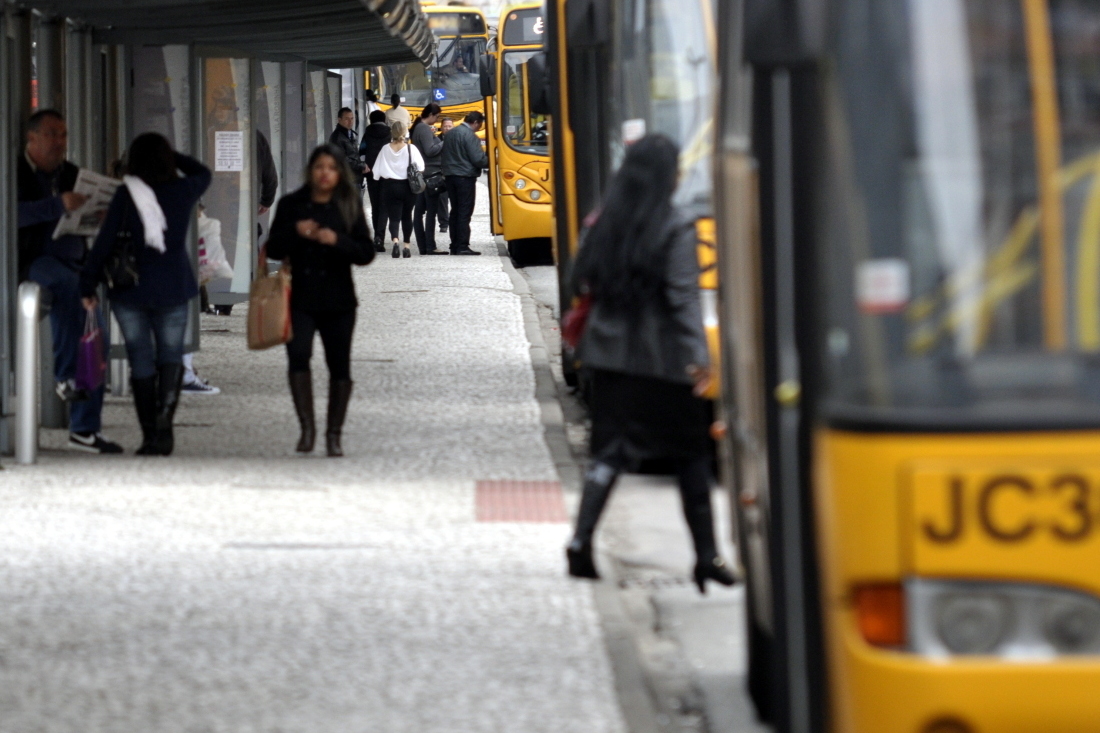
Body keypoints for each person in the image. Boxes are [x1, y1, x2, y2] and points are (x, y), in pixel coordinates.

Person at [564, 134, 737, 594]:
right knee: (691, 456)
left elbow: (578, 278)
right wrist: (701, 360)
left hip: (608, 357)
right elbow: (683, 301)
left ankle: (581, 542)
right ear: (668, 176)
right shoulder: (676, 227)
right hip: (661, 362)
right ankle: (706, 557)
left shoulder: (603, 222)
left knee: (609, 455)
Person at [81, 133, 212, 456]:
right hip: (173, 286)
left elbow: (105, 242)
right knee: (170, 355)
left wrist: (87, 284)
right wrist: (173, 155)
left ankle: (149, 435)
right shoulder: (182, 191)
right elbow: (202, 173)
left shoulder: (127, 194)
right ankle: (164, 427)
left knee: (140, 358)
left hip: (131, 291)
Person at [17, 109, 123, 454]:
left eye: (63, 135)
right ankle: (64, 376)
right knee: (66, 286)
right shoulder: (14, 172)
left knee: (96, 338)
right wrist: (56, 206)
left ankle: (84, 430)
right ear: (31, 138)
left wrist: (95, 214)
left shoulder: (72, 174)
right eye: (51, 134)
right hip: (32, 261)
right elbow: (10, 214)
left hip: (72, 258)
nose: (60, 142)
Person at [266, 144, 375, 457]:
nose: (325, 173)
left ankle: (334, 434)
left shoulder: (348, 205)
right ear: (310, 171)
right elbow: (273, 248)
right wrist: (296, 231)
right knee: (298, 356)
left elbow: (365, 253)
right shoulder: (292, 204)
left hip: (339, 300)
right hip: (300, 296)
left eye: (331, 168)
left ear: (339, 173)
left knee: (338, 365)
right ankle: (307, 429)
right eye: (319, 167)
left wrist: (336, 240)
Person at [372, 119, 424, 259]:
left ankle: (395, 242)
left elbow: (376, 171)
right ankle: (406, 246)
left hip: (390, 187)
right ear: (405, 131)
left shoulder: (385, 148)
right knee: (407, 216)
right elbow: (421, 167)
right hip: (408, 187)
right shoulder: (411, 148)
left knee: (394, 218)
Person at [441, 110, 488, 255]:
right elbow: (478, 159)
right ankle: (462, 245)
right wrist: (491, 160)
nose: (479, 128)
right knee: (464, 212)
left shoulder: (450, 134)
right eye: (480, 125)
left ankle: (454, 244)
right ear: (475, 122)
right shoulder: (470, 136)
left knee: (454, 210)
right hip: (465, 178)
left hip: (450, 177)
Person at [410, 103, 448, 256]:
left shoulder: (418, 127)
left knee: (419, 211)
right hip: (430, 174)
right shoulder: (424, 129)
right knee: (431, 211)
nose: (437, 120)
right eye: (437, 117)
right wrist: (444, 142)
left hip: (422, 174)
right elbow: (430, 150)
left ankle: (423, 245)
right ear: (431, 115)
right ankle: (430, 245)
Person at [360, 109, 391, 252]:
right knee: (384, 205)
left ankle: (376, 238)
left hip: (371, 172)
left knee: (375, 205)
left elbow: (361, 150)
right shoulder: (389, 133)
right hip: (386, 173)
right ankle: (380, 237)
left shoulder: (367, 133)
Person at [330, 107, 365, 187]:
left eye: (352, 118)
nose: (350, 122)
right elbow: (342, 159)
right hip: (346, 182)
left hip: (354, 179)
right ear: (339, 120)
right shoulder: (337, 137)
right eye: (347, 119)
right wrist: (361, 166)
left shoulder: (350, 134)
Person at [437, 118, 454, 233]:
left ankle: (454, 222)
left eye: (449, 126)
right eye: (445, 126)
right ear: (441, 127)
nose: (447, 128)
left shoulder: (456, 139)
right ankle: (444, 223)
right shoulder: (436, 140)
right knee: (442, 200)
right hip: (441, 173)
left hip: (454, 173)